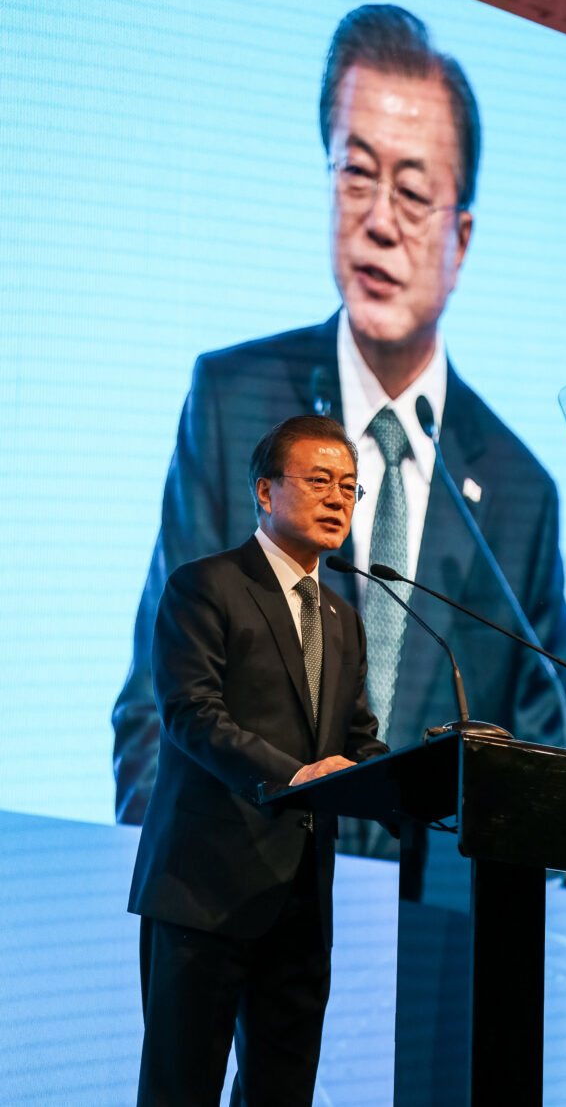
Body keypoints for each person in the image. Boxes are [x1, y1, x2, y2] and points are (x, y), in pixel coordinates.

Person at [114, 5, 566, 867]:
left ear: (462, 237)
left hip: (437, 952)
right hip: (243, 915)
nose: (379, 219)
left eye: (412, 191)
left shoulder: (519, 492)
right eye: (357, 175)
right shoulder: (232, 401)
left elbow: (545, 766)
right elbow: (155, 706)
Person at [129, 415, 387, 1106]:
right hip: (204, 892)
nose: (339, 499)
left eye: (351, 487)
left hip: (300, 906)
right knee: (178, 1091)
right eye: (322, 481)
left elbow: (357, 736)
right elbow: (190, 713)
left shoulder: (342, 616)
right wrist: (292, 775)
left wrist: (419, 778)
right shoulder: (204, 586)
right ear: (266, 491)